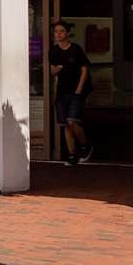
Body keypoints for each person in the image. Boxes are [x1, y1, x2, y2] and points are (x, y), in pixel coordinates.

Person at [50, 20, 94, 165]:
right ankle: (72, 154)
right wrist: (55, 70)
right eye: (56, 31)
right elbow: (53, 70)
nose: (58, 34)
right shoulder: (54, 51)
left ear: (67, 33)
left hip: (76, 90)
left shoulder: (75, 49)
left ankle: (85, 144)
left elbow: (84, 70)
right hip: (62, 91)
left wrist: (79, 90)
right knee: (65, 124)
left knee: (72, 121)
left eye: (61, 31)